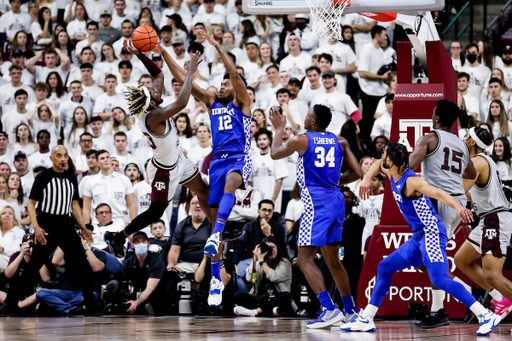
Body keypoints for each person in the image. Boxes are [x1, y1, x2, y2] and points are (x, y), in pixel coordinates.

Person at [343, 142, 500, 335]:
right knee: (384, 267)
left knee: (440, 279)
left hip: (432, 232)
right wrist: (367, 177)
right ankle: (366, 318)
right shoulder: (391, 170)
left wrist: (459, 207)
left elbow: (439, 193)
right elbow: (376, 164)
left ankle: (485, 314)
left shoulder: (412, 182)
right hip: (418, 236)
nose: (380, 159)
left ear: (390, 160)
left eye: (383, 155)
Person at [164, 29, 252, 307]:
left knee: (230, 187)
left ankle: (215, 236)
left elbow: (236, 78)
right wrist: (164, 53)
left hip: (238, 158)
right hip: (217, 161)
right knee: (216, 224)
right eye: (221, 83)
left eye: (226, 83)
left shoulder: (242, 103)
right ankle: (216, 279)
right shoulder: (212, 104)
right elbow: (182, 80)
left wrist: (216, 45)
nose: (223, 85)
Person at [105, 40, 211, 262]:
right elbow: (182, 102)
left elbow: (160, 75)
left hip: (178, 161)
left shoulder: (153, 106)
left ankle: (214, 232)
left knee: (203, 190)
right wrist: (190, 72)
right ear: (150, 103)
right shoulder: (152, 117)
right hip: (164, 171)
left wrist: (138, 55)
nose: (155, 88)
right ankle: (118, 237)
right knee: (156, 213)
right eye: (151, 91)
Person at [269, 104, 362, 327]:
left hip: (317, 203)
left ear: (312, 122)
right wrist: (334, 182)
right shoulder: (340, 141)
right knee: (332, 259)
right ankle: (350, 311)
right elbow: (357, 172)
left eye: (307, 115)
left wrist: (279, 128)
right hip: (337, 200)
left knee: (303, 258)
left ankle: (329, 308)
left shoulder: (301, 140)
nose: (305, 117)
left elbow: (274, 153)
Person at [399, 99, 478, 328]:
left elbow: (410, 167)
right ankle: (440, 307)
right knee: (428, 256)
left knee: (431, 257)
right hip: (456, 204)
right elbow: (471, 172)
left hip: (439, 202)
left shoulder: (429, 138)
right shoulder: (462, 145)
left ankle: (455, 299)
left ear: (436, 118)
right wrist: (458, 195)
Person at [0, 146, 101, 316]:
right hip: (46, 224)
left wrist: (83, 227)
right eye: (58, 155)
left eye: (65, 155)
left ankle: (91, 306)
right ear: (51, 158)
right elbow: (31, 204)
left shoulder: (71, 177)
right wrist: (37, 227)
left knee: (82, 265)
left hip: (66, 224)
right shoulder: (43, 177)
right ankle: (10, 303)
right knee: (33, 267)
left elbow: (74, 205)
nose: (62, 158)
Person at [454, 127, 512, 318]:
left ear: (471, 142)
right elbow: (472, 194)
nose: (462, 138)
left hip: (495, 219)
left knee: (492, 275)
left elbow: (459, 190)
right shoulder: (483, 162)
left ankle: (503, 299)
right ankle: (500, 299)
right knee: (461, 260)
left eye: (466, 136)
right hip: (488, 219)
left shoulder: (477, 163)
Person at [233, 237, 296, 317]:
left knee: (285, 295)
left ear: (277, 248)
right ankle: (272, 311)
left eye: (272, 247)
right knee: (237, 296)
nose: (270, 250)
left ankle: (256, 312)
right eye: (267, 248)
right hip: (262, 300)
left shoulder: (285, 263)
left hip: (277, 299)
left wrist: (262, 262)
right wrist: (255, 257)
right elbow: (249, 278)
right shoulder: (260, 262)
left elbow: (274, 277)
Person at [82, 149, 136, 225]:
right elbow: (86, 208)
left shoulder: (124, 179)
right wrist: (86, 228)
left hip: (119, 221)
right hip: (98, 223)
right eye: (102, 158)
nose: (106, 160)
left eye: (107, 157)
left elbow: (131, 205)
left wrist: (134, 228)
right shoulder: (90, 182)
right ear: (97, 163)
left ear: (111, 160)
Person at [167, 195, 211, 273]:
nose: (197, 205)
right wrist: (171, 265)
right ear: (190, 206)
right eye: (194, 203)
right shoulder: (182, 225)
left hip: (206, 264)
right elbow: (174, 250)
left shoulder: (212, 224)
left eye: (200, 203)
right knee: (171, 273)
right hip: (186, 264)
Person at [0, 205, 25, 270]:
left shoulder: (19, 232)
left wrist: (2, 250)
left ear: (13, 218)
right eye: (4, 213)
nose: (7, 215)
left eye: (10, 213)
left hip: (11, 262)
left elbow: (16, 250)